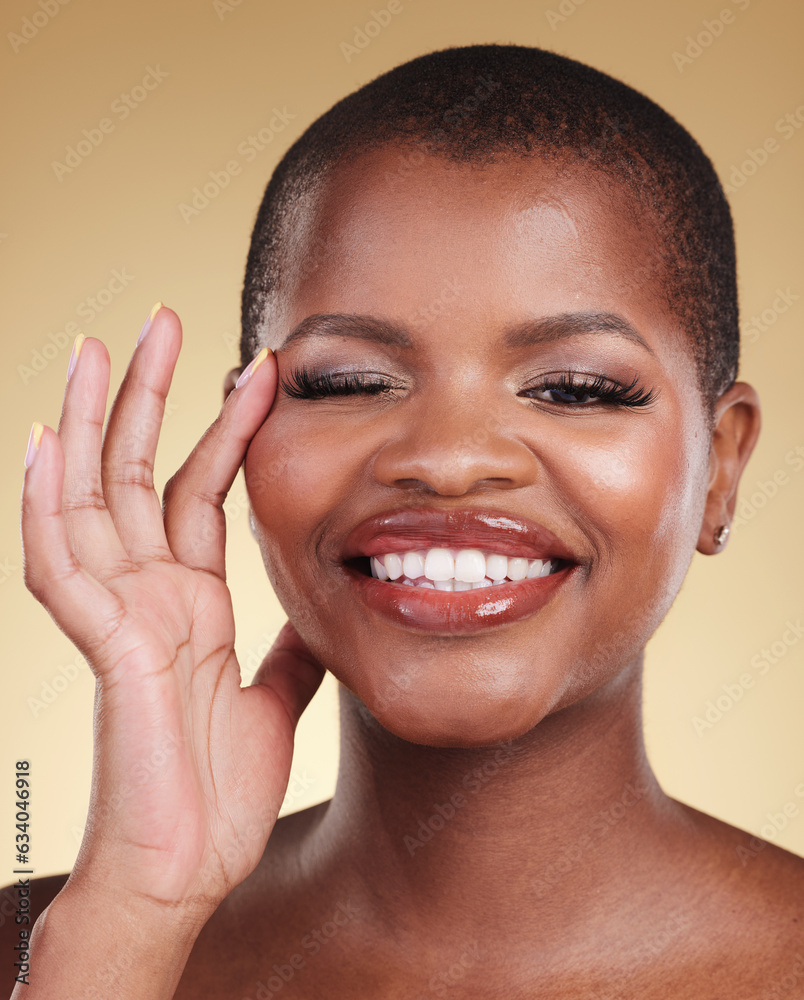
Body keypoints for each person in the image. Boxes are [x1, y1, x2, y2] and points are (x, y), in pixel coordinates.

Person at [8, 42, 804, 999]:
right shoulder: (45, 946)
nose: (449, 457)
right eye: (348, 381)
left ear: (721, 468)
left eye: (574, 387)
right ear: (244, 434)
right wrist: (134, 915)